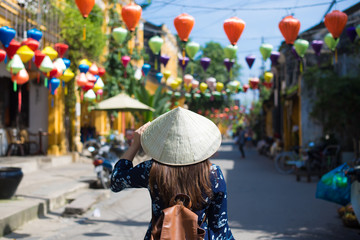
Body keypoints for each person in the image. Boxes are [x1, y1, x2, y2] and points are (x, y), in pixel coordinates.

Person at [110, 107, 234, 240]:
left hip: (160, 235)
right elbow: (220, 227)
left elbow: (116, 181)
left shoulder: (150, 169)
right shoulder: (214, 174)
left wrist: (135, 145)